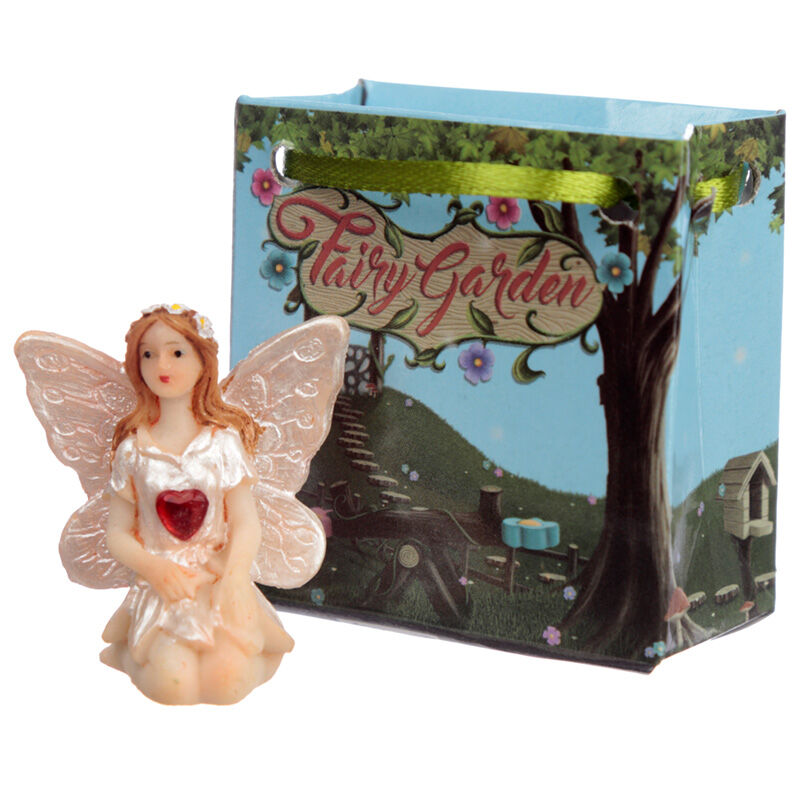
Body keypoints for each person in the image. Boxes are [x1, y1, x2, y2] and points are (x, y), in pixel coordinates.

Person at [100, 304, 294, 705]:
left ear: (202, 361)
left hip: (218, 580)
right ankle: (127, 656)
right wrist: (155, 568)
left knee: (228, 682)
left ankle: (250, 660)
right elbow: (117, 533)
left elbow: (246, 522)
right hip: (163, 588)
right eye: (148, 354)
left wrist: (236, 576)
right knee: (173, 685)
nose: (161, 365)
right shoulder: (134, 451)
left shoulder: (222, 444)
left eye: (176, 352)